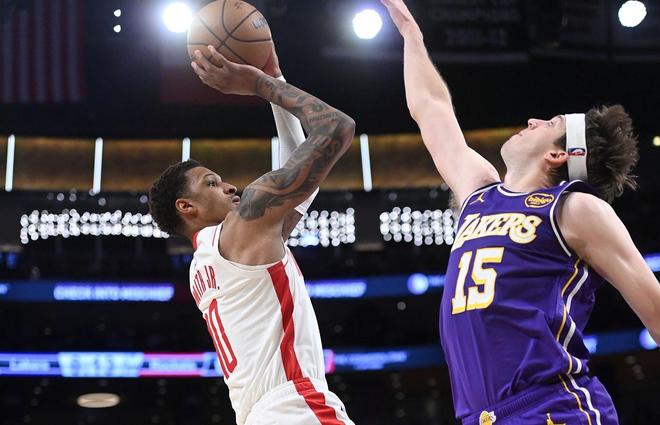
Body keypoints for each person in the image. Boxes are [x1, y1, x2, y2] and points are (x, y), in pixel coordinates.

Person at [380, 0, 660, 424]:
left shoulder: (575, 207)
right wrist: (409, 31)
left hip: (553, 407)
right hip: (484, 415)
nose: (532, 120)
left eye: (549, 123)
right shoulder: (478, 192)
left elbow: (655, 312)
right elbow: (432, 108)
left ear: (559, 154)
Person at [148, 45, 355, 425]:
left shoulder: (205, 265)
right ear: (186, 206)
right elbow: (337, 128)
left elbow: (302, 190)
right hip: (297, 408)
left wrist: (276, 80)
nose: (229, 187)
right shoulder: (243, 227)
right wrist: (259, 84)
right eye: (212, 183)